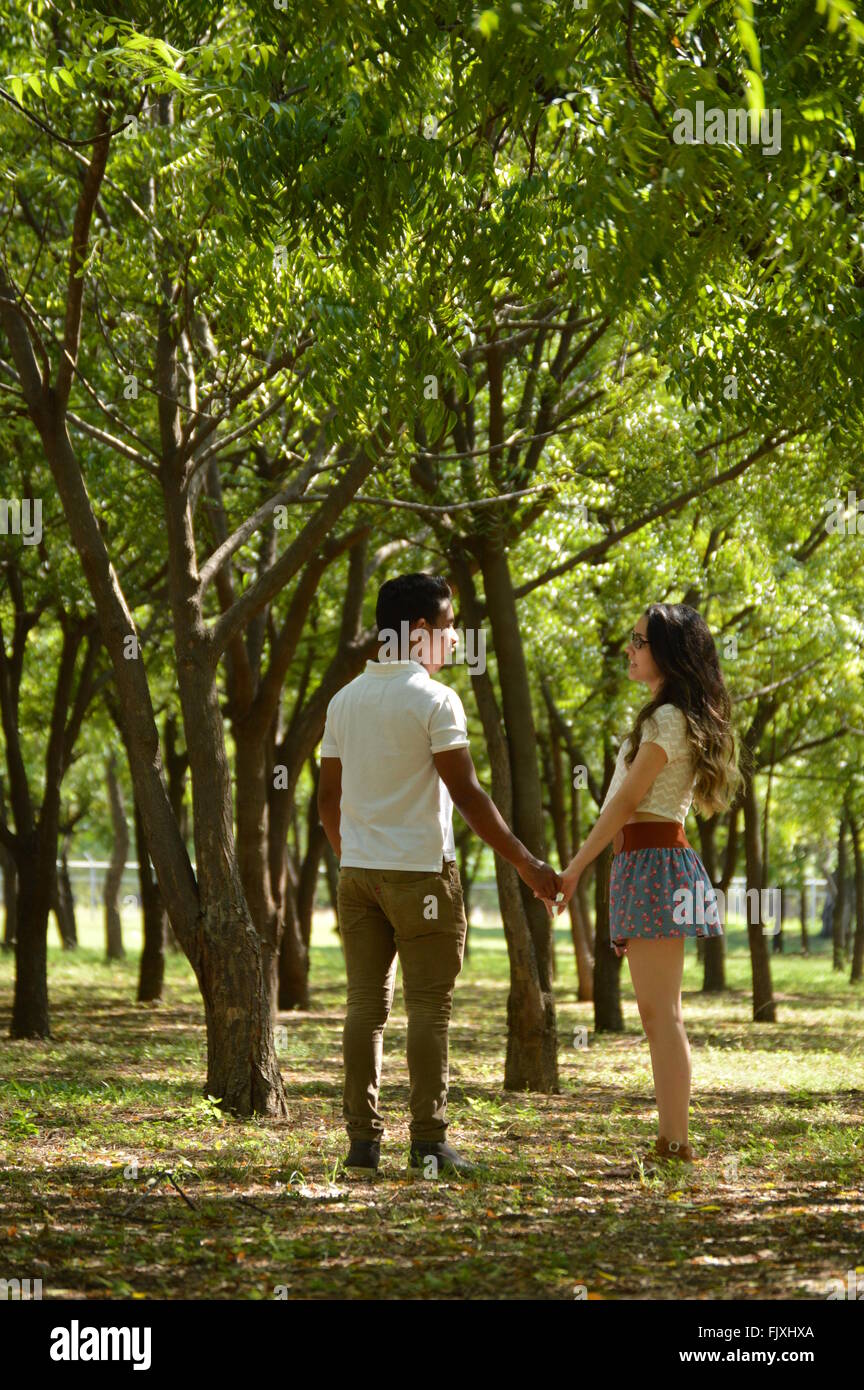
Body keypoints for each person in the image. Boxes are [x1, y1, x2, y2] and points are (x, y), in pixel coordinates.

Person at [318, 572, 560, 1179]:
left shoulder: (344, 700)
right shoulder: (434, 700)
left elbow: (326, 799)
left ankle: (361, 1142)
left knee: (364, 1008)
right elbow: (469, 796)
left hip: (358, 876)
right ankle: (427, 1141)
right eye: (449, 627)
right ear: (421, 630)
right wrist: (530, 866)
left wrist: (352, 853)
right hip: (421, 877)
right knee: (428, 1007)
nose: (455, 639)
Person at [549, 603, 741, 1164]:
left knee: (662, 1015)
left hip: (657, 863)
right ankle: (672, 1139)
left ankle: (676, 1142)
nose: (629, 650)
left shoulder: (667, 721)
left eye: (639, 641)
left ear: (668, 651)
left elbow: (627, 802)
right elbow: (623, 806)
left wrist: (575, 867)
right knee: (658, 1014)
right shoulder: (664, 716)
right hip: (644, 865)